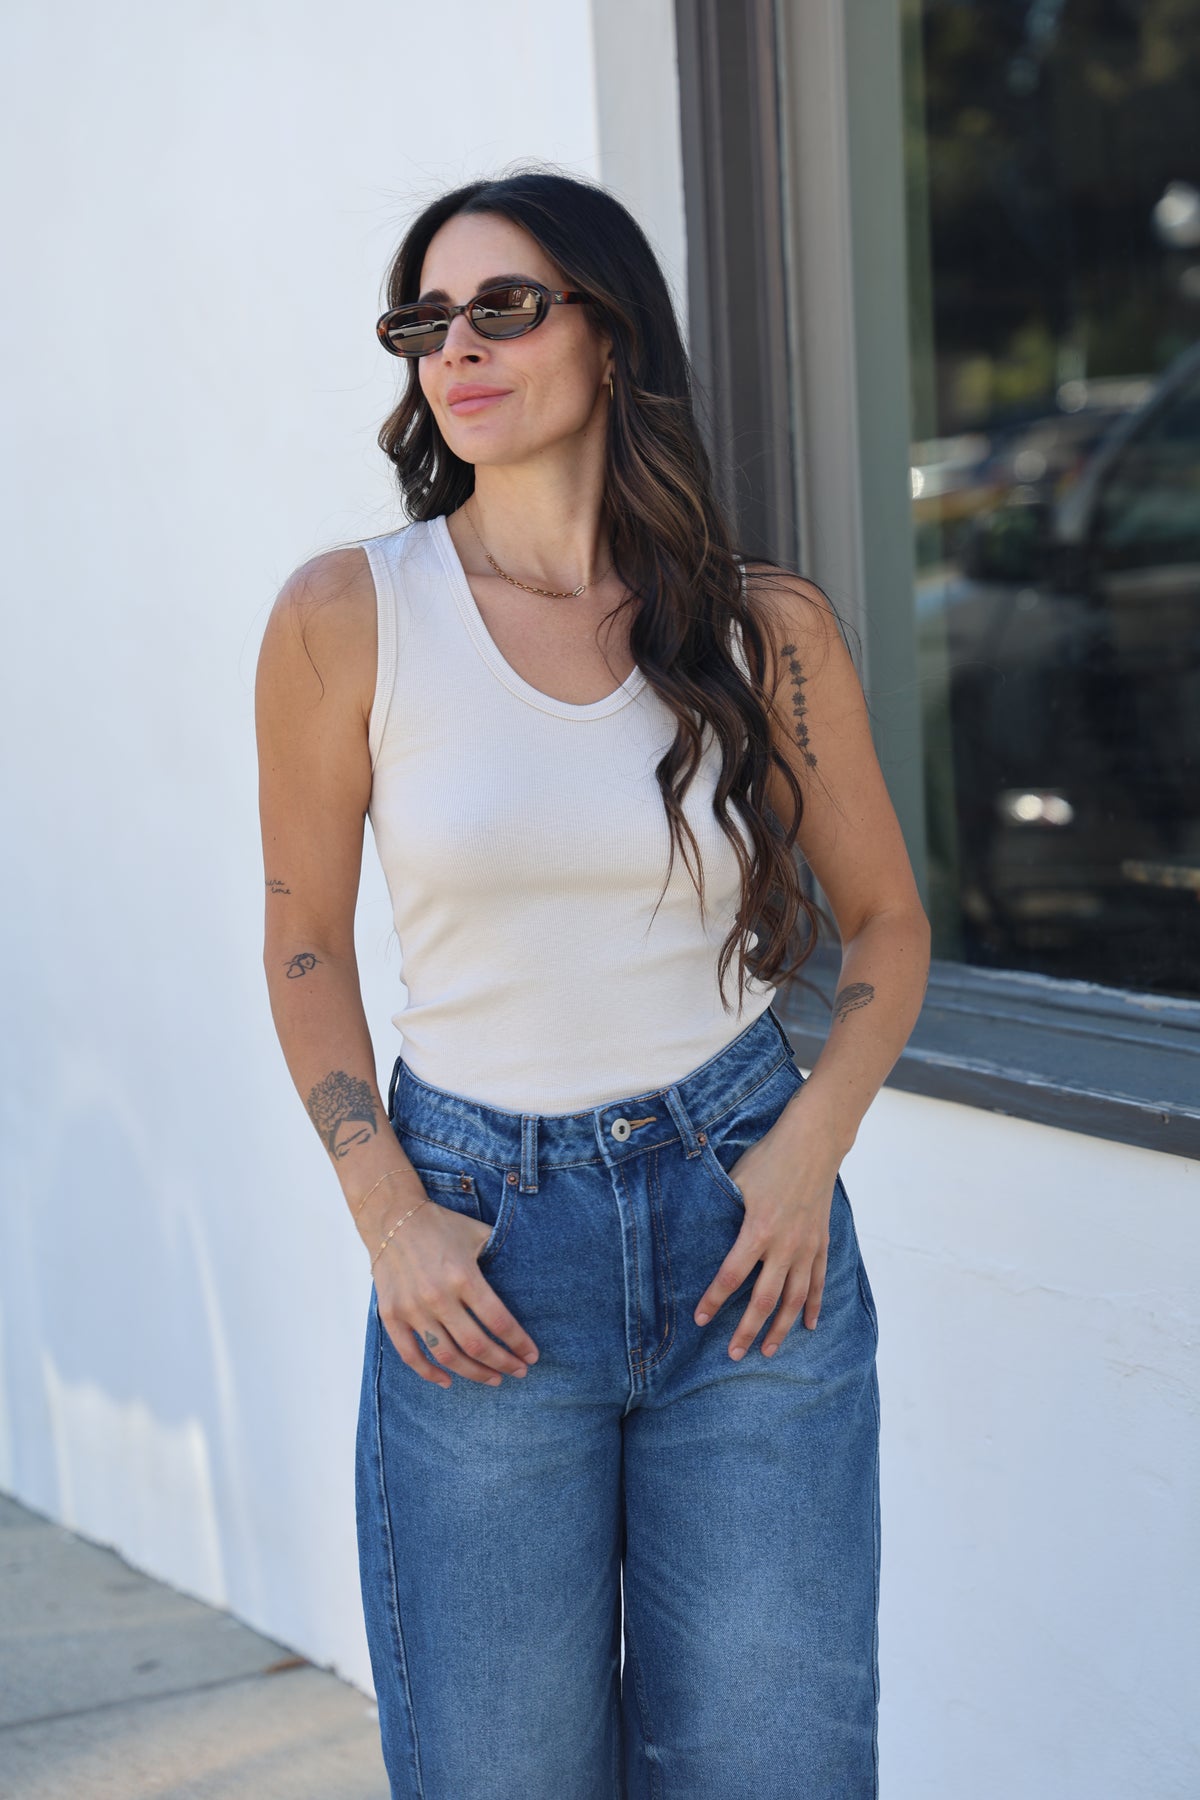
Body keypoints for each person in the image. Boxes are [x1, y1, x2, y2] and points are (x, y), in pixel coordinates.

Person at [254, 168, 929, 1800]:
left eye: (505, 306)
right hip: (481, 1254)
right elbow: (304, 943)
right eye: (427, 321)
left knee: (775, 1765)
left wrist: (804, 1155)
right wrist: (389, 1215)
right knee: (500, 1775)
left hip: (744, 1237)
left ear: (612, 336)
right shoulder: (351, 616)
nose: (457, 350)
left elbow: (890, 930)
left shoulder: (759, 628)